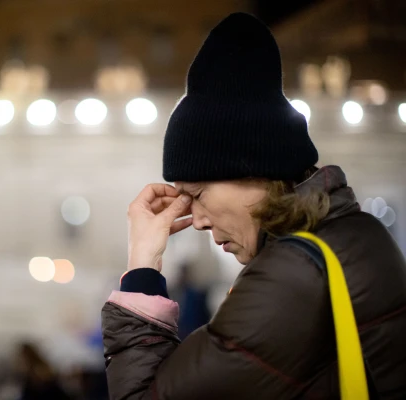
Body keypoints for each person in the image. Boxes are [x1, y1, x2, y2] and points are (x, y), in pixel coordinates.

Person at [101, 13, 406, 399]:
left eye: (196, 194)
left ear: (252, 169)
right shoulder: (356, 231)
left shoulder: (293, 276)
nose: (194, 220)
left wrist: (141, 270)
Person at [169, 263, 212, 340]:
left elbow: (204, 316)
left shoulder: (196, 295)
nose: (182, 276)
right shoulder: (174, 293)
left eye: (184, 273)